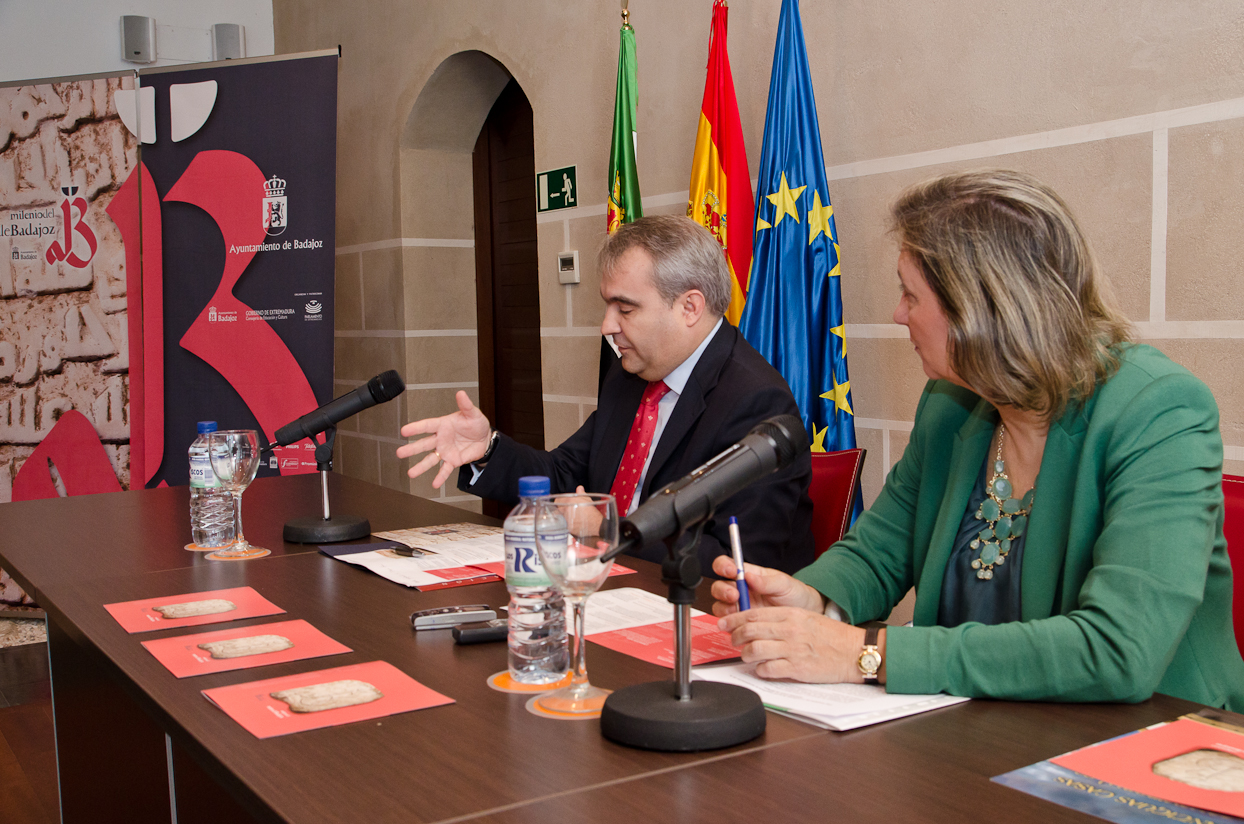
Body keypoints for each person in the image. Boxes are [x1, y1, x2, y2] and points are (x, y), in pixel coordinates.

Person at [712, 169, 1244, 710]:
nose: (898, 315)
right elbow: (880, 552)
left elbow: (1118, 651)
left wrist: (865, 652)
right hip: (981, 731)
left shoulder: (1159, 410)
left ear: (984, 308)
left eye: (910, 294)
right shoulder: (951, 402)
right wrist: (816, 600)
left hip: (1149, 744)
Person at [397, 215, 814, 574]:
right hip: (606, 588)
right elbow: (563, 474)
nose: (607, 326)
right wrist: (486, 449)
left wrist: (604, 530)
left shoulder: (755, 402)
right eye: (607, 306)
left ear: (689, 307)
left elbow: (734, 562)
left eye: (625, 309)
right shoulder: (630, 376)